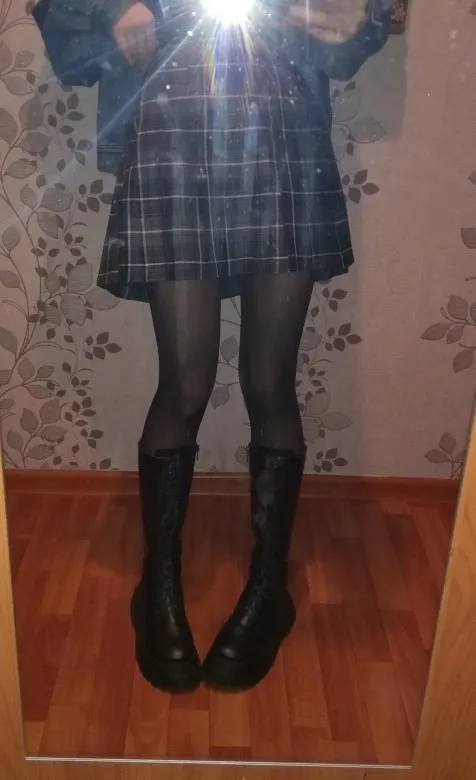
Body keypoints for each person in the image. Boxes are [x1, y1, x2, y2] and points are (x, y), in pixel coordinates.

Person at [34, 0, 392, 693]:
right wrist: (114, 14)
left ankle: (270, 588)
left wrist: (360, 19)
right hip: (171, 135)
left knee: (270, 383)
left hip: (284, 137)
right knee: (185, 385)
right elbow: (63, 16)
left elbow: (360, 25)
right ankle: (158, 584)